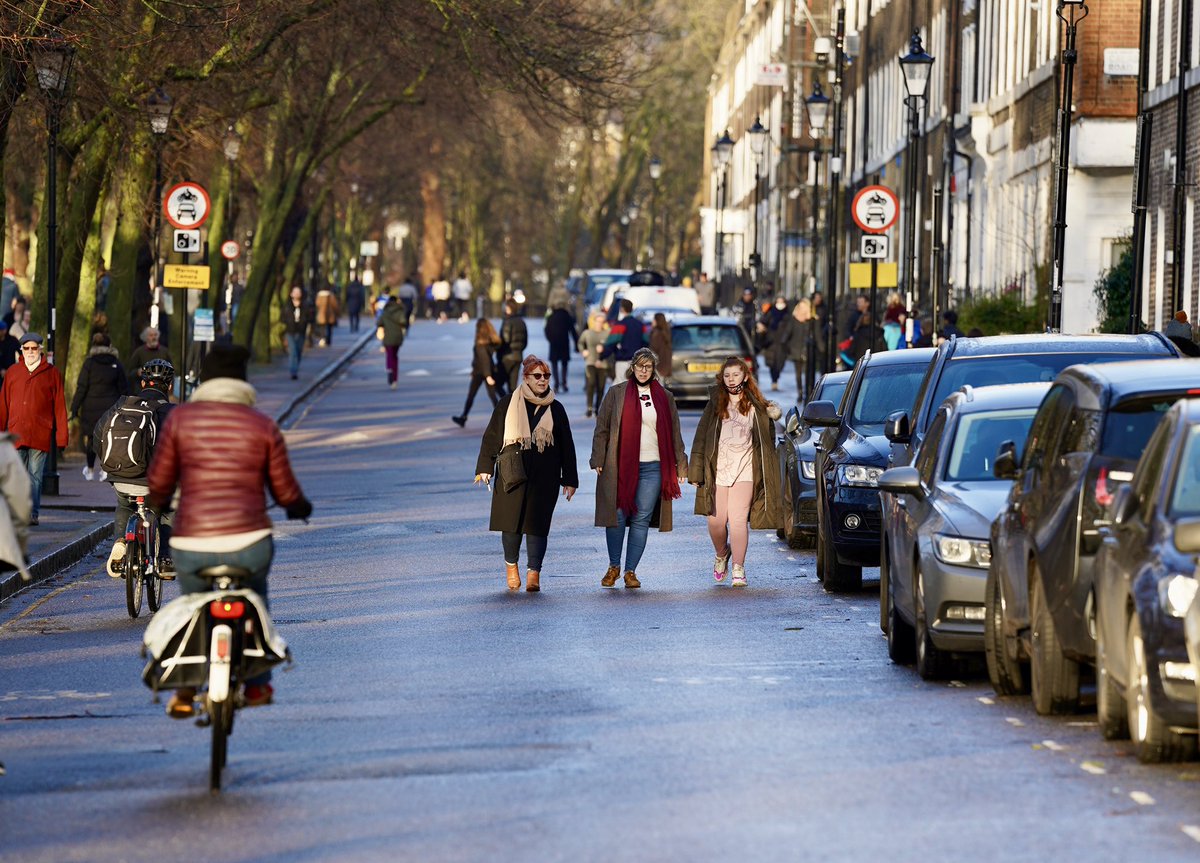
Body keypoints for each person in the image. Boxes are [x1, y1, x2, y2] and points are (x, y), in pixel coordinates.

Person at [148, 343, 311, 717]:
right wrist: (299, 508)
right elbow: (285, 491)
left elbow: (159, 481)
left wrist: (157, 503)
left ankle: (186, 689)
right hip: (248, 542)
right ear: (243, 380)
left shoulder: (180, 421)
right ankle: (257, 685)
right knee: (256, 598)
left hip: (192, 542)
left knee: (192, 606)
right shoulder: (261, 425)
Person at [473, 355, 577, 592]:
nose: (542, 381)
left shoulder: (556, 408)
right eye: (537, 376)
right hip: (512, 474)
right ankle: (511, 567)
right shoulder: (507, 403)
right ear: (526, 378)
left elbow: (567, 446)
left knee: (537, 526)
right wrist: (485, 468)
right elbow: (492, 437)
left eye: (546, 376)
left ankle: (534, 574)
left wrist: (569, 479)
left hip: (545, 477)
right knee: (510, 526)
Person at [590, 347, 688, 590]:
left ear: (653, 369)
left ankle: (630, 571)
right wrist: (598, 459)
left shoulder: (665, 397)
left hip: (654, 467)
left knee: (641, 518)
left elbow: (675, 433)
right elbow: (602, 428)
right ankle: (614, 566)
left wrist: (681, 465)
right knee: (618, 515)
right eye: (639, 366)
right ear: (632, 367)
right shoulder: (616, 394)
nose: (643, 371)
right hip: (620, 465)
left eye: (648, 366)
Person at [688, 357, 782, 587]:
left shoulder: (757, 406)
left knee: (739, 521)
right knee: (716, 522)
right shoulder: (715, 404)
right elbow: (701, 438)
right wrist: (695, 471)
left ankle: (739, 568)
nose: (731, 379)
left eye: (736, 375)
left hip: (745, 471)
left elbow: (767, 442)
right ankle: (722, 554)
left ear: (745, 376)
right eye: (727, 375)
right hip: (717, 471)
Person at [95, 359, 176, 578]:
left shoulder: (122, 405)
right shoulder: (174, 413)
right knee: (170, 508)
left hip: (121, 475)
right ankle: (166, 559)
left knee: (124, 504)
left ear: (142, 383)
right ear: (170, 386)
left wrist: (110, 462)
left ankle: (121, 540)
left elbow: (98, 434)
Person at [0, 334, 67, 526]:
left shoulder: (52, 373)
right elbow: (3, 404)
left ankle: (31, 513)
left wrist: (62, 438)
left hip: (40, 432)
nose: (30, 352)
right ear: (21, 350)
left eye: (34, 348)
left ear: (40, 350)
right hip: (16, 431)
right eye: (27, 348)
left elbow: (60, 407)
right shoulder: (13, 372)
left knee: (35, 477)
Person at [71, 333, 129, 481]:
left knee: (91, 439)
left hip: (91, 406)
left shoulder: (89, 363)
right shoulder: (116, 363)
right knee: (108, 439)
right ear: (110, 346)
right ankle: (105, 470)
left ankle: (90, 470)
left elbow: (82, 387)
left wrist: (74, 407)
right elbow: (123, 387)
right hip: (110, 406)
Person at [453, 319, 502, 427]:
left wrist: (488, 376)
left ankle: (502, 419)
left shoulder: (480, 344)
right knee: (493, 396)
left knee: (475, 395)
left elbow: (484, 359)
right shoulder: (490, 341)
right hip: (484, 371)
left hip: (482, 372)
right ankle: (464, 417)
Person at [577, 311, 610, 419]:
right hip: (590, 362)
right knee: (591, 383)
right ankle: (589, 407)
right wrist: (583, 351)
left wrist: (604, 349)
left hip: (603, 364)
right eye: (597, 321)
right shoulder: (587, 333)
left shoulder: (607, 333)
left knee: (600, 387)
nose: (599, 324)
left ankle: (597, 408)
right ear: (594, 322)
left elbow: (611, 347)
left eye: (601, 322)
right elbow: (580, 343)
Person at [601, 298, 645, 380]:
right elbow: (646, 342)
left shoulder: (620, 325)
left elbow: (611, 343)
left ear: (622, 309)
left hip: (623, 360)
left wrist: (602, 356)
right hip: (638, 362)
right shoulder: (640, 325)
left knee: (621, 386)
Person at [786, 298, 820, 401]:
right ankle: (800, 392)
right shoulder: (794, 319)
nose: (802, 309)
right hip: (796, 349)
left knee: (808, 372)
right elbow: (787, 334)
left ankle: (808, 392)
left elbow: (817, 336)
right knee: (798, 373)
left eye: (804, 307)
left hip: (808, 350)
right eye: (800, 307)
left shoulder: (812, 320)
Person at [543, 298, 577, 393]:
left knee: (554, 363)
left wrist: (550, 339)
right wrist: (576, 343)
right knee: (564, 363)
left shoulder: (551, 316)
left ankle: (556, 384)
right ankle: (564, 383)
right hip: (564, 342)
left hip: (554, 342)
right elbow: (573, 330)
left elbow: (546, 329)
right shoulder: (567, 316)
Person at [376, 295, 408, 389]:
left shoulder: (385, 312)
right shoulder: (400, 311)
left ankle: (389, 369)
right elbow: (403, 322)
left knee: (389, 355)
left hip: (388, 336)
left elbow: (379, 323)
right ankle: (395, 380)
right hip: (397, 336)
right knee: (395, 357)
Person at [760, 296, 791, 391]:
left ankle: (776, 378)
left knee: (779, 363)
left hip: (782, 343)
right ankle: (774, 381)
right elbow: (763, 322)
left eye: (782, 302)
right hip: (771, 342)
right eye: (778, 301)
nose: (780, 304)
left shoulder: (787, 315)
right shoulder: (771, 313)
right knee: (772, 363)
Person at [282, 287, 312, 380]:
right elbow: (282, 318)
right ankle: (293, 372)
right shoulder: (287, 306)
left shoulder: (305, 306)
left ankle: (295, 367)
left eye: (298, 292)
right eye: (295, 292)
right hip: (290, 331)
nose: (297, 294)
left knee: (298, 352)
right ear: (291, 294)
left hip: (301, 331)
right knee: (293, 352)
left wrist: (306, 325)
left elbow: (309, 318)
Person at [498, 299, 528, 393]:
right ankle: (513, 406)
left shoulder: (507, 321)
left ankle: (505, 405)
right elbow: (525, 341)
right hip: (518, 356)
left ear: (509, 308)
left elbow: (505, 340)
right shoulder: (521, 321)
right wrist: (519, 350)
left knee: (497, 383)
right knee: (513, 387)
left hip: (507, 356)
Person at [648, 312, 673, 379]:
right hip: (664, 366)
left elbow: (653, 351)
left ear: (657, 321)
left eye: (653, 319)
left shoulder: (656, 334)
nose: (652, 321)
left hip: (657, 367)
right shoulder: (666, 333)